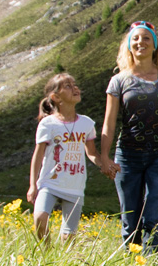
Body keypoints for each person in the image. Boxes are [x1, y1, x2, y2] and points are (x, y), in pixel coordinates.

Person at [99, 21, 158, 251]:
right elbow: (109, 124)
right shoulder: (118, 81)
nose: (141, 42)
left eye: (146, 38)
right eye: (136, 39)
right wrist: (104, 158)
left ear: (155, 45)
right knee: (130, 220)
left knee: (153, 215)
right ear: (129, 45)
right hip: (127, 156)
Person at [27, 73, 111, 243]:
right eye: (68, 86)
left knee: (68, 236)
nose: (75, 88)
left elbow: (92, 153)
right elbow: (38, 155)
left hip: (75, 186)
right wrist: (32, 186)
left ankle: (62, 264)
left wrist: (104, 165)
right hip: (50, 182)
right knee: (40, 218)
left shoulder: (86, 123)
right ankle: (46, 254)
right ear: (56, 97)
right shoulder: (47, 124)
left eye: (75, 84)